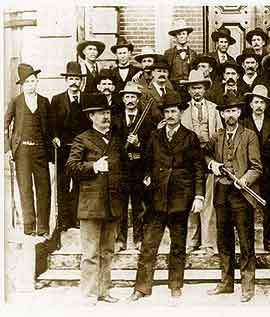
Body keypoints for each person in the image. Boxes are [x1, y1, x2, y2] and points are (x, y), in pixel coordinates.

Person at [126, 90, 205, 301]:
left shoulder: (190, 137)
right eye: (167, 111)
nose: (170, 115)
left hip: (180, 199)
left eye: (174, 111)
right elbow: (145, 162)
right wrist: (145, 178)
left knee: (178, 246)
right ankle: (141, 287)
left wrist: (199, 196)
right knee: (148, 246)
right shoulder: (154, 136)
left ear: (180, 113)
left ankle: (175, 285)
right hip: (157, 199)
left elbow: (198, 169)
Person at [66, 92, 125, 305]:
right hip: (91, 206)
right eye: (100, 113)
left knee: (107, 251)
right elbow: (71, 167)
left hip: (113, 205)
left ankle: (104, 291)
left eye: (107, 112)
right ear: (91, 116)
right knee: (90, 253)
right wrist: (93, 166)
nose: (105, 117)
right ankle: (89, 295)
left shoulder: (116, 139)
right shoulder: (82, 139)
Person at [205, 95, 262, 303]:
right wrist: (212, 164)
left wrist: (245, 179)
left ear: (239, 113)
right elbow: (204, 154)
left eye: (234, 111)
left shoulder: (249, 135)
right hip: (221, 192)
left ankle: (247, 285)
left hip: (241, 195)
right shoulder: (217, 136)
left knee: (246, 241)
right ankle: (226, 282)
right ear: (221, 114)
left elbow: (257, 167)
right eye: (227, 111)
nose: (231, 115)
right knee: (224, 239)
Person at [4, 63, 53, 237]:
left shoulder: (44, 101)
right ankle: (29, 226)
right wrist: (7, 148)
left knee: (44, 189)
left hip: (40, 150)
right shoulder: (16, 102)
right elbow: (4, 125)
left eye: (34, 81)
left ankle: (43, 227)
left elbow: (51, 126)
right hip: (22, 152)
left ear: (37, 82)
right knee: (25, 188)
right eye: (28, 82)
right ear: (23, 85)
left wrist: (54, 138)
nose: (31, 84)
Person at [178, 69, 223, 255]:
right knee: (191, 199)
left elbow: (220, 133)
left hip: (210, 156)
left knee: (209, 202)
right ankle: (192, 241)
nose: (196, 91)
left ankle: (209, 243)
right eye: (193, 88)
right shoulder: (183, 110)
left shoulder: (214, 108)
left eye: (200, 87)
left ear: (205, 89)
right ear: (188, 90)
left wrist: (214, 156)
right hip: (189, 159)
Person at [114, 81, 155, 252]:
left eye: (133, 97)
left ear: (138, 99)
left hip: (139, 167)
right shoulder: (116, 120)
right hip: (122, 168)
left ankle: (139, 239)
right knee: (120, 206)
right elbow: (113, 145)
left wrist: (138, 143)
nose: (130, 100)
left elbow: (152, 146)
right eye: (127, 96)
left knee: (139, 206)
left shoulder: (147, 120)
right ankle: (119, 240)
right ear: (123, 99)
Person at [242, 85, 270, 251]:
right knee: (247, 207)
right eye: (256, 102)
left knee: (268, 208)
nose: (258, 106)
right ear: (251, 104)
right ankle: (248, 243)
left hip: (268, 172)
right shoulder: (243, 122)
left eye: (262, 103)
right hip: (248, 171)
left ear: (266, 105)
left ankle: (268, 240)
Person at [51, 61, 89, 231]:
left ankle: (76, 218)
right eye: (71, 79)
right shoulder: (57, 99)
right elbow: (51, 124)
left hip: (81, 150)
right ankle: (64, 220)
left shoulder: (86, 99)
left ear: (81, 81)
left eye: (77, 79)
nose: (74, 82)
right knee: (63, 184)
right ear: (66, 81)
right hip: (64, 149)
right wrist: (55, 137)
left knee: (80, 185)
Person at [164, 19, 199, 89]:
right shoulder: (169, 53)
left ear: (187, 35)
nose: (182, 36)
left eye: (183, 34)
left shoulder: (193, 53)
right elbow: (165, 72)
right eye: (179, 34)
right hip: (173, 88)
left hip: (189, 89)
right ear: (175, 36)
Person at [140, 57, 173, 125]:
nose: (162, 74)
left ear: (168, 74)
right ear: (153, 73)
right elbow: (145, 118)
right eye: (159, 71)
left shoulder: (171, 92)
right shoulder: (145, 92)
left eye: (165, 72)